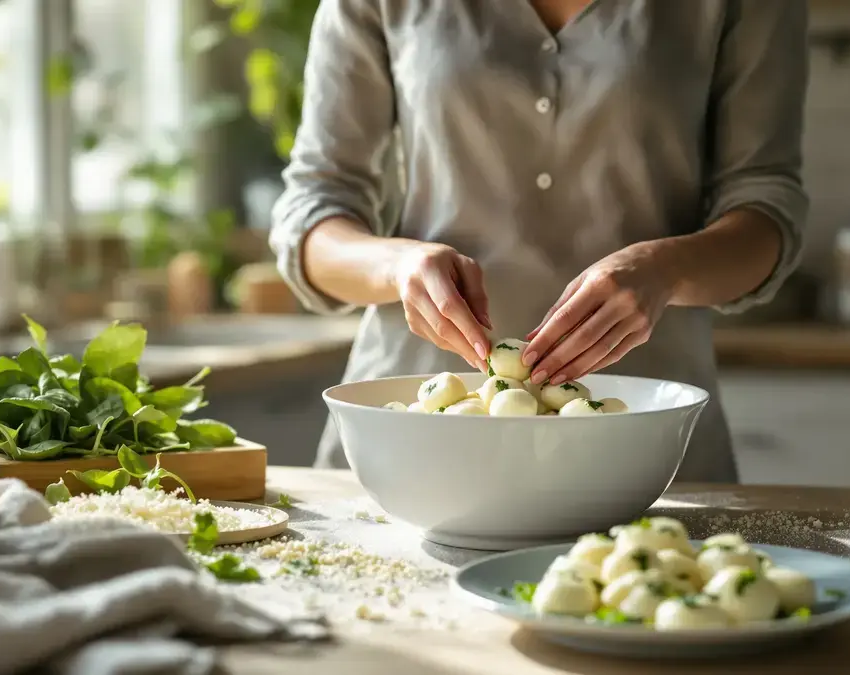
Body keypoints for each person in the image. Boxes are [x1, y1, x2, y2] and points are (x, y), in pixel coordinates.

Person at [270, 0, 809, 481]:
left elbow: (766, 210)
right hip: (414, 442)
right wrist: (398, 266)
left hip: (645, 446)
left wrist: (665, 268)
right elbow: (313, 215)